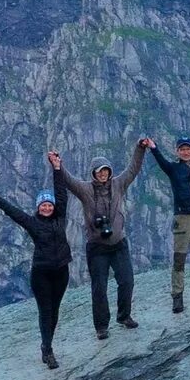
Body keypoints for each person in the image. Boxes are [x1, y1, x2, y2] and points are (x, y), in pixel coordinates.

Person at [53, 143, 149, 338]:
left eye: (106, 170)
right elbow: (69, 181)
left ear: (109, 171)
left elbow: (133, 168)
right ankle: (101, 327)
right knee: (99, 288)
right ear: (93, 173)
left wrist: (140, 148)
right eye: (99, 171)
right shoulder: (85, 190)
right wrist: (58, 165)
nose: (103, 174)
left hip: (119, 243)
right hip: (97, 247)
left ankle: (124, 316)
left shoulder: (119, 184)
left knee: (127, 282)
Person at [0, 177, 72, 368]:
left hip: (61, 271)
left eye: (49, 205)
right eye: (43, 205)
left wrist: (56, 168)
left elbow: (61, 194)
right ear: (38, 207)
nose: (46, 208)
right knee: (45, 312)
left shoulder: (60, 218)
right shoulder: (32, 223)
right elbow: (13, 211)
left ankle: (46, 346)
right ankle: (48, 350)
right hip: (41, 274)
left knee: (54, 311)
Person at [145, 130, 190, 315]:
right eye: (182, 149)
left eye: (188, 149)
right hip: (182, 217)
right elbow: (160, 160)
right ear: (177, 152)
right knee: (179, 258)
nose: (185, 152)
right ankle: (177, 296)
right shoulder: (173, 169)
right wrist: (153, 148)